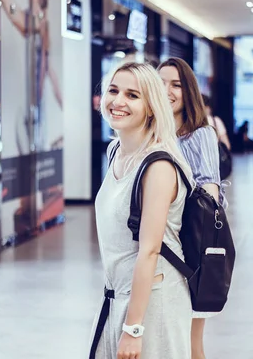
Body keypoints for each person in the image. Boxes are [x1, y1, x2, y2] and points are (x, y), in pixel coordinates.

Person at [90, 62, 194, 359]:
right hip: (115, 297)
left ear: (151, 107)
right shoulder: (115, 152)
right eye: (113, 90)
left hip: (153, 303)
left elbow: (149, 250)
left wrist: (133, 327)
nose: (118, 101)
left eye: (133, 95)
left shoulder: (158, 165)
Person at [158, 57, 221, 359]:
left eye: (176, 85)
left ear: (189, 91)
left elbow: (211, 192)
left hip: (188, 249)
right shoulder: (151, 134)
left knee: (190, 340)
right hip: (153, 246)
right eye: (161, 83)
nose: (167, 90)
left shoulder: (199, 134)